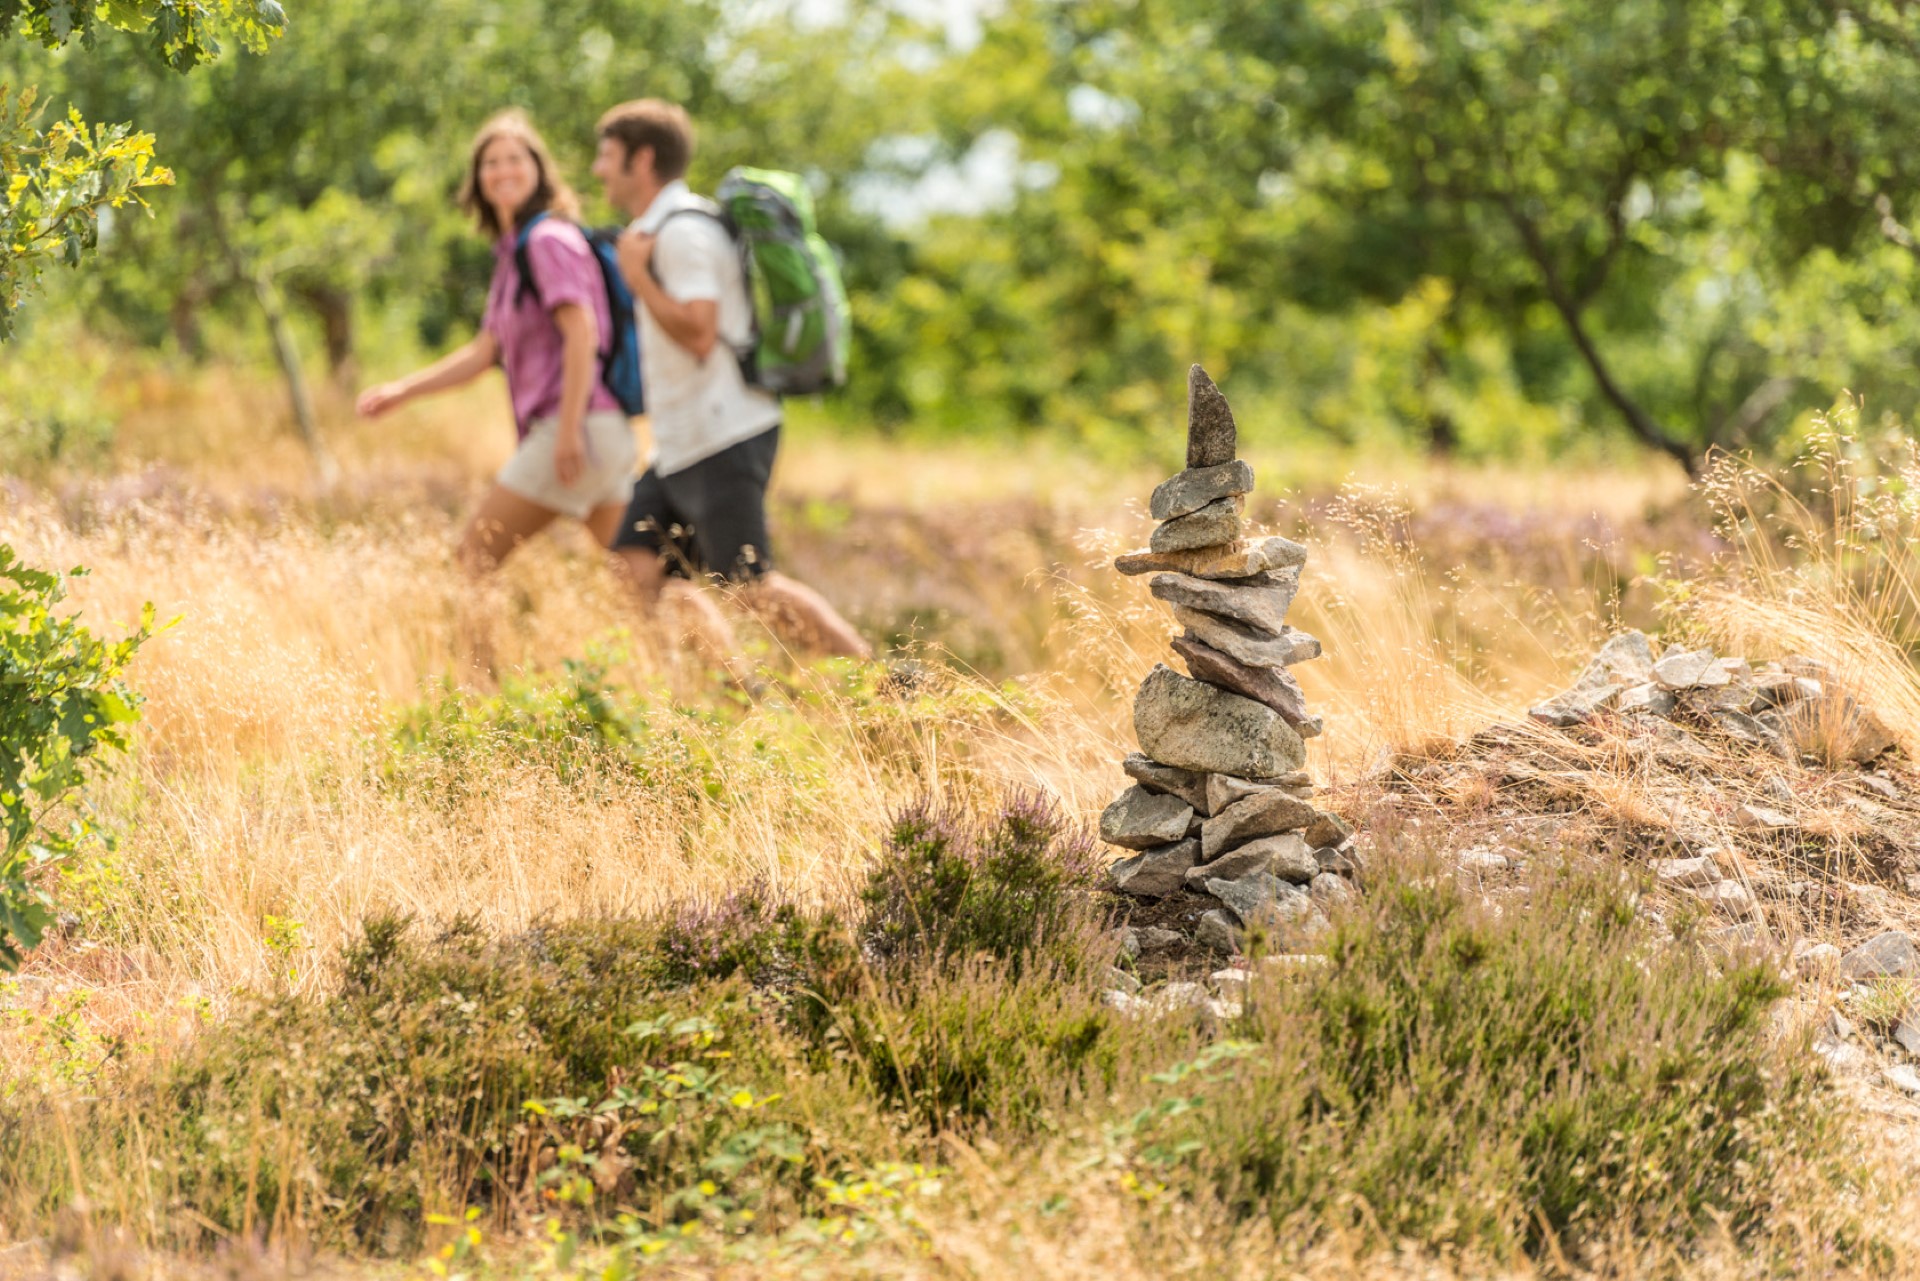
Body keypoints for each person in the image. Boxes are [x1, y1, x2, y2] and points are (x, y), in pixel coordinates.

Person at [588, 99, 871, 667]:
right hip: (680, 445)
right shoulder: (659, 229)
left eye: (607, 156)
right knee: (633, 564)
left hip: (724, 436)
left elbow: (699, 331)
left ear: (641, 160)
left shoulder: (682, 234)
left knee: (750, 589)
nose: (598, 169)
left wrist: (637, 277)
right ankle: (737, 702)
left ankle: (890, 695)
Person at [357, 110, 637, 579]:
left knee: (473, 561)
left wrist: (568, 432)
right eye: (491, 162)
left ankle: (474, 659)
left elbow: (582, 332)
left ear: (538, 170)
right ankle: (725, 656)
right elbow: (484, 352)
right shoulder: (515, 252)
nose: (503, 170)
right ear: (478, 178)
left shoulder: (546, 239)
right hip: (600, 432)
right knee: (642, 582)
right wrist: (402, 391)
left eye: (515, 159)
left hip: (573, 429)